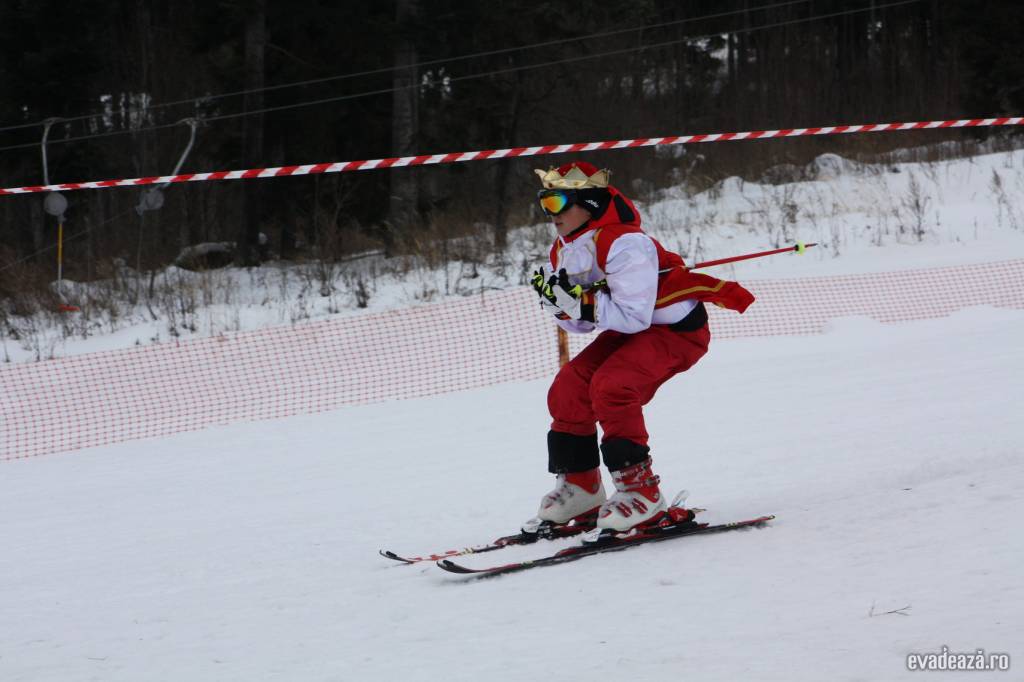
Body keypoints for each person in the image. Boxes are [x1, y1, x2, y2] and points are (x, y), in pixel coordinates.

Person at [524, 160, 755, 535]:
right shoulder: (564, 250)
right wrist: (561, 308)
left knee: (613, 386)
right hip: (632, 329)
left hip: (675, 331)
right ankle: (581, 488)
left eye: (556, 203)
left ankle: (641, 494)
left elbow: (633, 316)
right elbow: (584, 324)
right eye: (544, 204)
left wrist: (579, 304)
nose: (550, 215)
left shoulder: (627, 244)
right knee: (569, 386)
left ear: (591, 204)